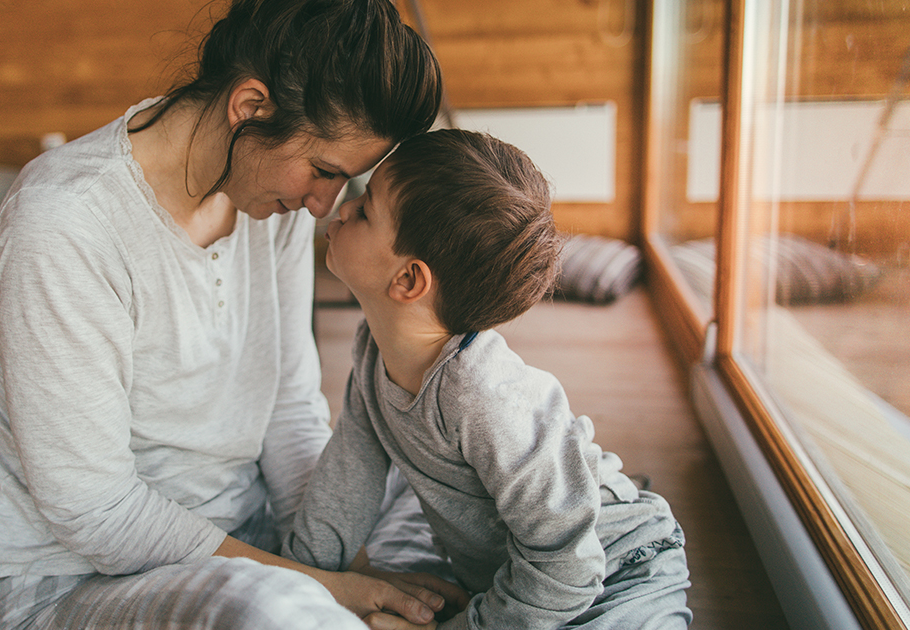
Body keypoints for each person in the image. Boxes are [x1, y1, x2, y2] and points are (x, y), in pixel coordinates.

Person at [0, 0, 467, 627]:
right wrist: (325, 587)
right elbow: (92, 510)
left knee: (452, 489)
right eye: (323, 171)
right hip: (85, 581)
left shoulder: (271, 205)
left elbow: (288, 408)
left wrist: (347, 566)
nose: (324, 206)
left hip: (255, 539)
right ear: (251, 108)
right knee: (270, 611)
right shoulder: (64, 224)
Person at [282, 129, 693, 629]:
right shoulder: (375, 352)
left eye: (366, 209)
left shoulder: (483, 395)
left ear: (408, 280)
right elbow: (345, 483)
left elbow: (569, 565)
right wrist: (300, 581)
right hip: (516, 582)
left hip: (619, 569)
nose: (342, 208)